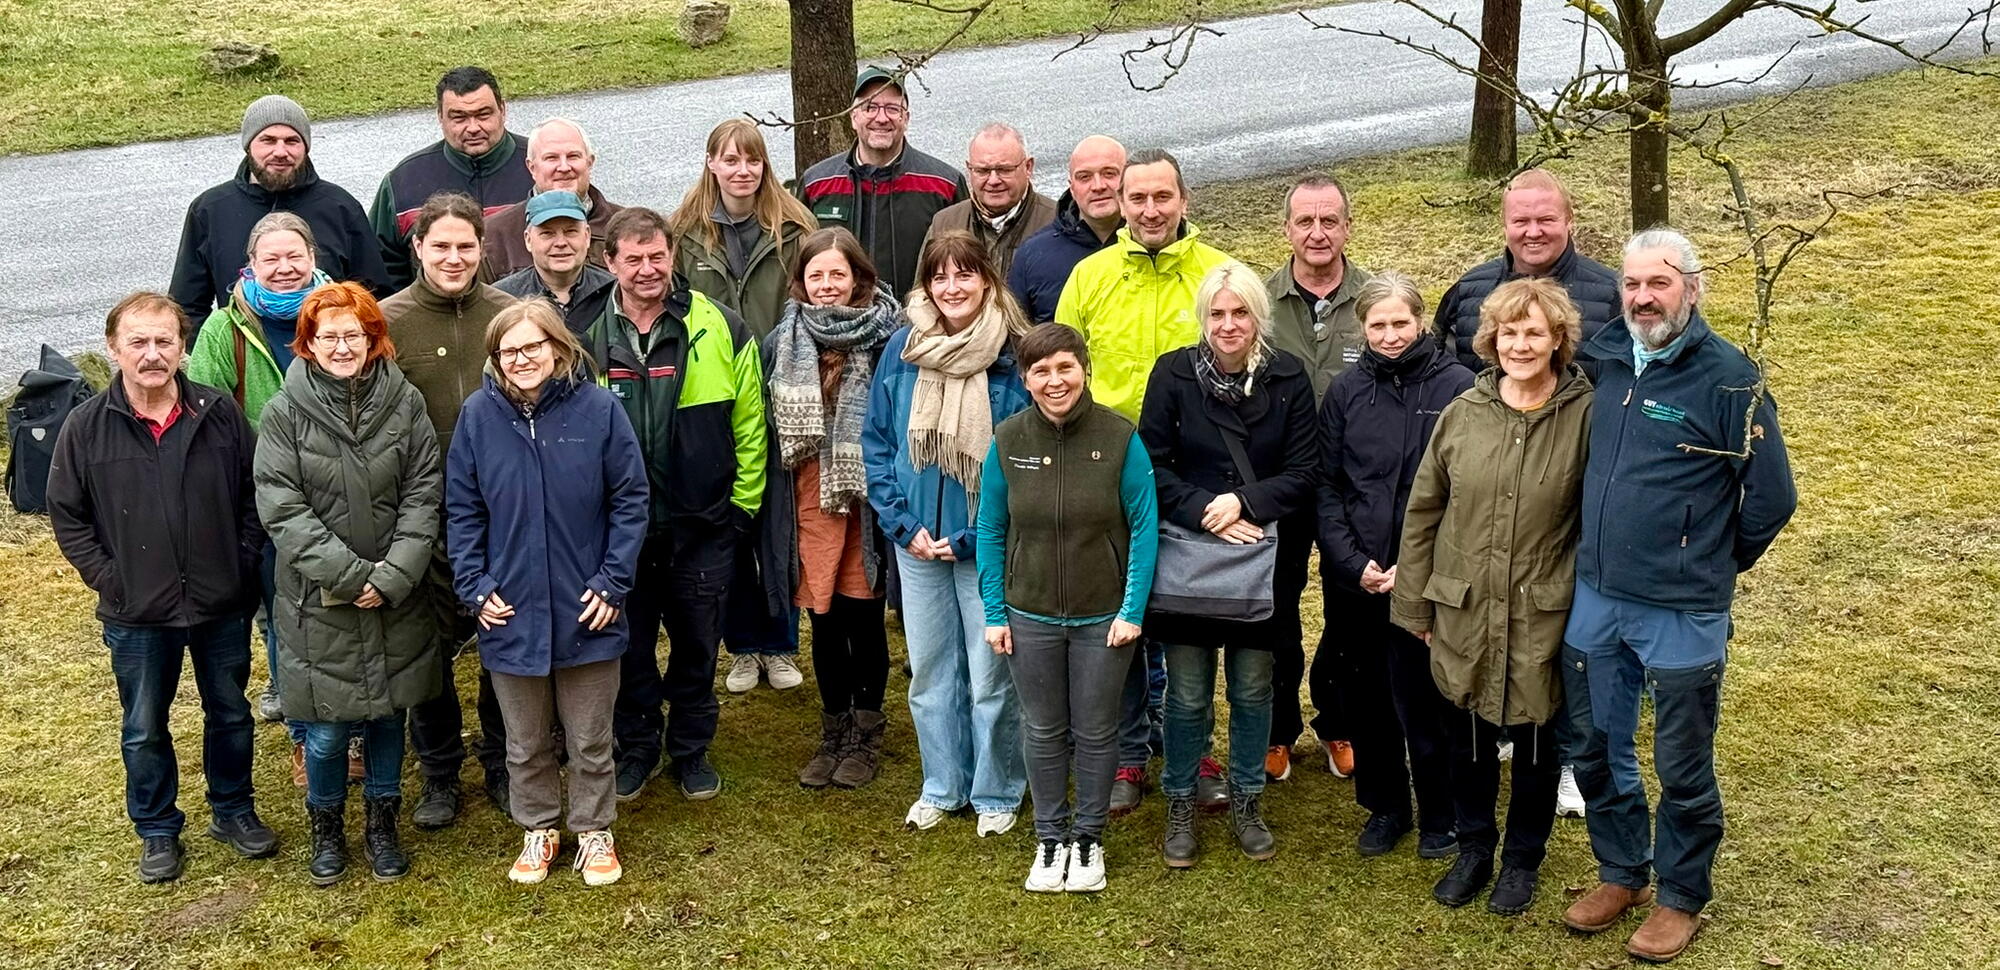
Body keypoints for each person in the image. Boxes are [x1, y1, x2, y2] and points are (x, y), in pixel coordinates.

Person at [1560, 230, 1796, 963]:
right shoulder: (1605, 357)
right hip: (1597, 595)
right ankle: (1622, 871)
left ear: (1691, 287)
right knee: (1596, 746)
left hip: (1683, 608)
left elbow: (1772, 498)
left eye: (1658, 283)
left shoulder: (1730, 379)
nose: (1642, 297)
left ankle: (1681, 895)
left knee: (1682, 760)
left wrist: (1713, 563)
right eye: (1632, 284)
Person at [47, 292, 275, 884]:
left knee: (229, 713)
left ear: (182, 347)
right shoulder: (85, 427)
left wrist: (242, 562)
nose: (153, 354)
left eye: (165, 341)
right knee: (145, 725)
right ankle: (156, 829)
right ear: (114, 348)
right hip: (137, 612)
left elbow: (255, 496)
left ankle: (233, 811)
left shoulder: (218, 413)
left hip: (221, 601)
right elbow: (67, 516)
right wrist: (109, 578)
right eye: (139, 342)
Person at [1392, 277, 1595, 917]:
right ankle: (1475, 847)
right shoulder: (1463, 412)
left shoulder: (1587, 415)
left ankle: (1521, 861)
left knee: (1537, 739)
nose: (1521, 343)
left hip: (1542, 610)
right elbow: (1424, 511)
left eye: (1535, 331)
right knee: (1468, 734)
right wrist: (1417, 605)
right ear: (1491, 339)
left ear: (1558, 339)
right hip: (1464, 606)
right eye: (1510, 331)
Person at [1054, 147, 1233, 816]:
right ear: (1120, 205)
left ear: (1184, 200)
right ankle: (1129, 756)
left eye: (1164, 196)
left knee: (1191, 620)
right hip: (1110, 470)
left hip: (1194, 477)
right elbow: (1063, 373)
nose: (1151, 210)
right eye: (1139, 199)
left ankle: (1196, 750)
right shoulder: (1091, 276)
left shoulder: (1220, 273)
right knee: (1119, 620)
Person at [445, 300, 648, 887]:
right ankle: (538, 827)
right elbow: (462, 511)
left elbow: (630, 501)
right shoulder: (478, 417)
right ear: (496, 359)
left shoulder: (600, 409)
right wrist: (475, 586)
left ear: (558, 349)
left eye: (533, 347)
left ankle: (593, 829)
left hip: (588, 604)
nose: (521, 359)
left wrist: (613, 580)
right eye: (509, 351)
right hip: (508, 608)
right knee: (524, 739)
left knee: (590, 737)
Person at [254, 281, 441, 886]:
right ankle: (326, 830)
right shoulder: (285, 411)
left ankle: (382, 828)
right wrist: (351, 576)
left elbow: (423, 491)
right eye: (328, 336)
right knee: (329, 731)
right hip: (319, 599)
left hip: (397, 592)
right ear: (308, 343)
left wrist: (393, 575)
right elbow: (282, 507)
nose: (342, 346)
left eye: (352, 335)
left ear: (373, 338)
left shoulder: (404, 402)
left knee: (389, 719)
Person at [585, 207, 768, 803]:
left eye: (657, 256)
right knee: (629, 647)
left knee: (696, 645)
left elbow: (749, 424)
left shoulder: (721, 327)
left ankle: (691, 750)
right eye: (632, 258)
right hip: (616, 534)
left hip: (702, 525)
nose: (647, 269)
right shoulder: (584, 332)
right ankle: (637, 748)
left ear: (673, 257)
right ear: (608, 262)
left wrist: (741, 510)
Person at [1138, 262, 1316, 868]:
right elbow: (1152, 465)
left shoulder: (1289, 377)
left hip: (1264, 560)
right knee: (1186, 695)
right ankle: (1181, 801)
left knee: (1252, 686)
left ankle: (1246, 798)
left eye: (1240, 312)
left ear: (1258, 318)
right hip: (1191, 557)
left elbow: (1304, 471)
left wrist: (1243, 502)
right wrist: (1205, 511)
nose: (1229, 324)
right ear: (1203, 318)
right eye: (1218, 313)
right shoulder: (1173, 374)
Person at [977, 322, 1159, 893]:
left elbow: (1145, 528)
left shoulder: (1120, 437)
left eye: (1065, 368)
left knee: (1098, 730)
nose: (1055, 381)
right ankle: (1049, 839)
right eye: (1041, 371)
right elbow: (989, 528)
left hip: (1103, 617)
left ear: (1084, 370)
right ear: (1026, 379)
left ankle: (1088, 840)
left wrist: (1131, 611)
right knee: (1044, 728)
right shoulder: (1007, 439)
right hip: (1027, 613)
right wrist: (994, 612)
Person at [862, 231, 1031, 835]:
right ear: (926, 286)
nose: (952, 288)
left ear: (986, 280)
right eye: (940, 277)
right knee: (931, 672)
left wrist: (971, 536)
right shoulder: (902, 350)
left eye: (964, 275)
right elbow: (877, 443)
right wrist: (902, 525)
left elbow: (1020, 460)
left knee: (990, 675)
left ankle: (997, 790)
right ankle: (943, 784)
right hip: (915, 544)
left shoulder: (1012, 353)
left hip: (982, 547)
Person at [1316, 273, 1473, 860]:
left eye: (1399, 323)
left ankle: (1442, 813)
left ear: (1421, 322)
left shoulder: (1460, 386)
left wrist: (1415, 565)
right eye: (1377, 325)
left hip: (1427, 576)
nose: (1389, 335)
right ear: (1362, 329)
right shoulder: (1346, 390)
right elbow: (1328, 484)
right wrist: (1351, 561)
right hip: (1357, 577)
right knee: (1366, 694)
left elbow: (1466, 490)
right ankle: (1385, 806)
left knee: (1429, 698)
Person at [668, 118, 819, 691]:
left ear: (764, 165)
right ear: (711, 164)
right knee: (727, 519)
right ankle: (742, 647)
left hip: (782, 387)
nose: (741, 171)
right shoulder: (684, 234)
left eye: (751, 160)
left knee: (778, 523)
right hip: (714, 395)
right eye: (729, 160)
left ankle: (780, 643)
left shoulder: (794, 229)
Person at [384, 192, 518, 828]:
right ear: (418, 249)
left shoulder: (512, 315)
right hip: (421, 518)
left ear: (482, 248)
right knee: (429, 651)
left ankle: (503, 762)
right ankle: (438, 772)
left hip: (504, 517)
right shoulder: (388, 323)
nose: (455, 257)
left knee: (501, 641)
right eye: (441, 246)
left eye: (466, 245)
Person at [185, 211, 332, 733]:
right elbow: (204, 415)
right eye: (271, 258)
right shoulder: (224, 330)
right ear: (251, 264)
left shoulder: (344, 314)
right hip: (263, 494)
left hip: (341, 488)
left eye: (296, 256)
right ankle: (297, 711)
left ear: (314, 259)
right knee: (279, 608)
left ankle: (350, 714)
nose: (285, 267)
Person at [765, 229, 900, 789]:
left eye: (837, 275)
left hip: (864, 499)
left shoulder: (888, 338)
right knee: (822, 617)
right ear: (802, 282)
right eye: (816, 275)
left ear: (858, 279)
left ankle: (866, 733)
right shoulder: (781, 341)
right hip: (807, 497)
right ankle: (833, 727)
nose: (826, 287)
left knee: (863, 618)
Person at [1261, 173, 1375, 784]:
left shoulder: (1375, 301)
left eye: (1329, 220)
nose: (1317, 232)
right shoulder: (1260, 303)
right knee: (1275, 608)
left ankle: (1337, 722)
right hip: (1280, 486)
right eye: (1305, 221)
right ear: (1288, 230)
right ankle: (1278, 730)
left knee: (1349, 610)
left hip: (1354, 490)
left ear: (1347, 226)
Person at [170, 95, 386, 324]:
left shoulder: (341, 207)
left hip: (327, 353)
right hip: (242, 355)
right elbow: (186, 308)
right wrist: (212, 354)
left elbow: (373, 297)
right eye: (268, 140)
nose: (281, 152)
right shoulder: (210, 210)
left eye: (292, 141)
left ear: (305, 147)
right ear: (248, 145)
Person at [798, 67, 968, 302]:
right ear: (853, 117)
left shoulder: (943, 184)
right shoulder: (817, 183)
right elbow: (798, 264)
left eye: (892, 109)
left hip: (918, 327)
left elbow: (967, 263)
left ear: (905, 118)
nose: (881, 118)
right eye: (870, 107)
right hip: (835, 325)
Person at [1434, 168, 1619, 375]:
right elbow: (1441, 378)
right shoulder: (1467, 291)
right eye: (1521, 221)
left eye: (1546, 220)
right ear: (1504, 225)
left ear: (1569, 221)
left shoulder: (1613, 295)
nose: (1533, 233)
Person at [371, 67, 535, 289]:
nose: (473, 128)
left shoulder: (543, 166)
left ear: (503, 110)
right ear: (440, 117)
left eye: (483, 114)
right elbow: (381, 266)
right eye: (459, 118)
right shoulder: (404, 181)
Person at [482, 118, 623, 280]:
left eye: (573, 156)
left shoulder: (626, 227)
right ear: (531, 167)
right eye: (551, 158)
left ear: (589, 163)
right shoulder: (495, 234)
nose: (564, 167)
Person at [923, 124, 1056, 279]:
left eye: (1004, 170)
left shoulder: (1057, 223)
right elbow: (922, 294)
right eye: (982, 171)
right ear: (969, 169)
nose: (993, 180)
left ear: (1028, 167)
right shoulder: (945, 223)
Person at [493, 191, 617, 333]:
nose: (561, 243)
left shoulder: (614, 294)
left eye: (570, 231)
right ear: (528, 240)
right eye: (547, 233)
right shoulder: (502, 299)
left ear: (587, 236)